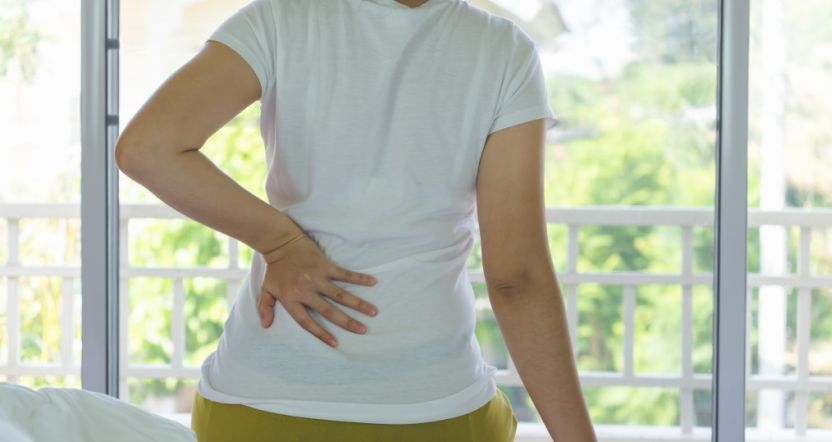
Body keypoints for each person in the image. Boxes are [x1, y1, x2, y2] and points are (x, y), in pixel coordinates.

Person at [114, 0, 597, 440]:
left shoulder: (280, 18)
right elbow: (516, 279)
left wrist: (280, 243)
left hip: (257, 404)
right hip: (432, 410)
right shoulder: (503, 50)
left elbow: (148, 149)